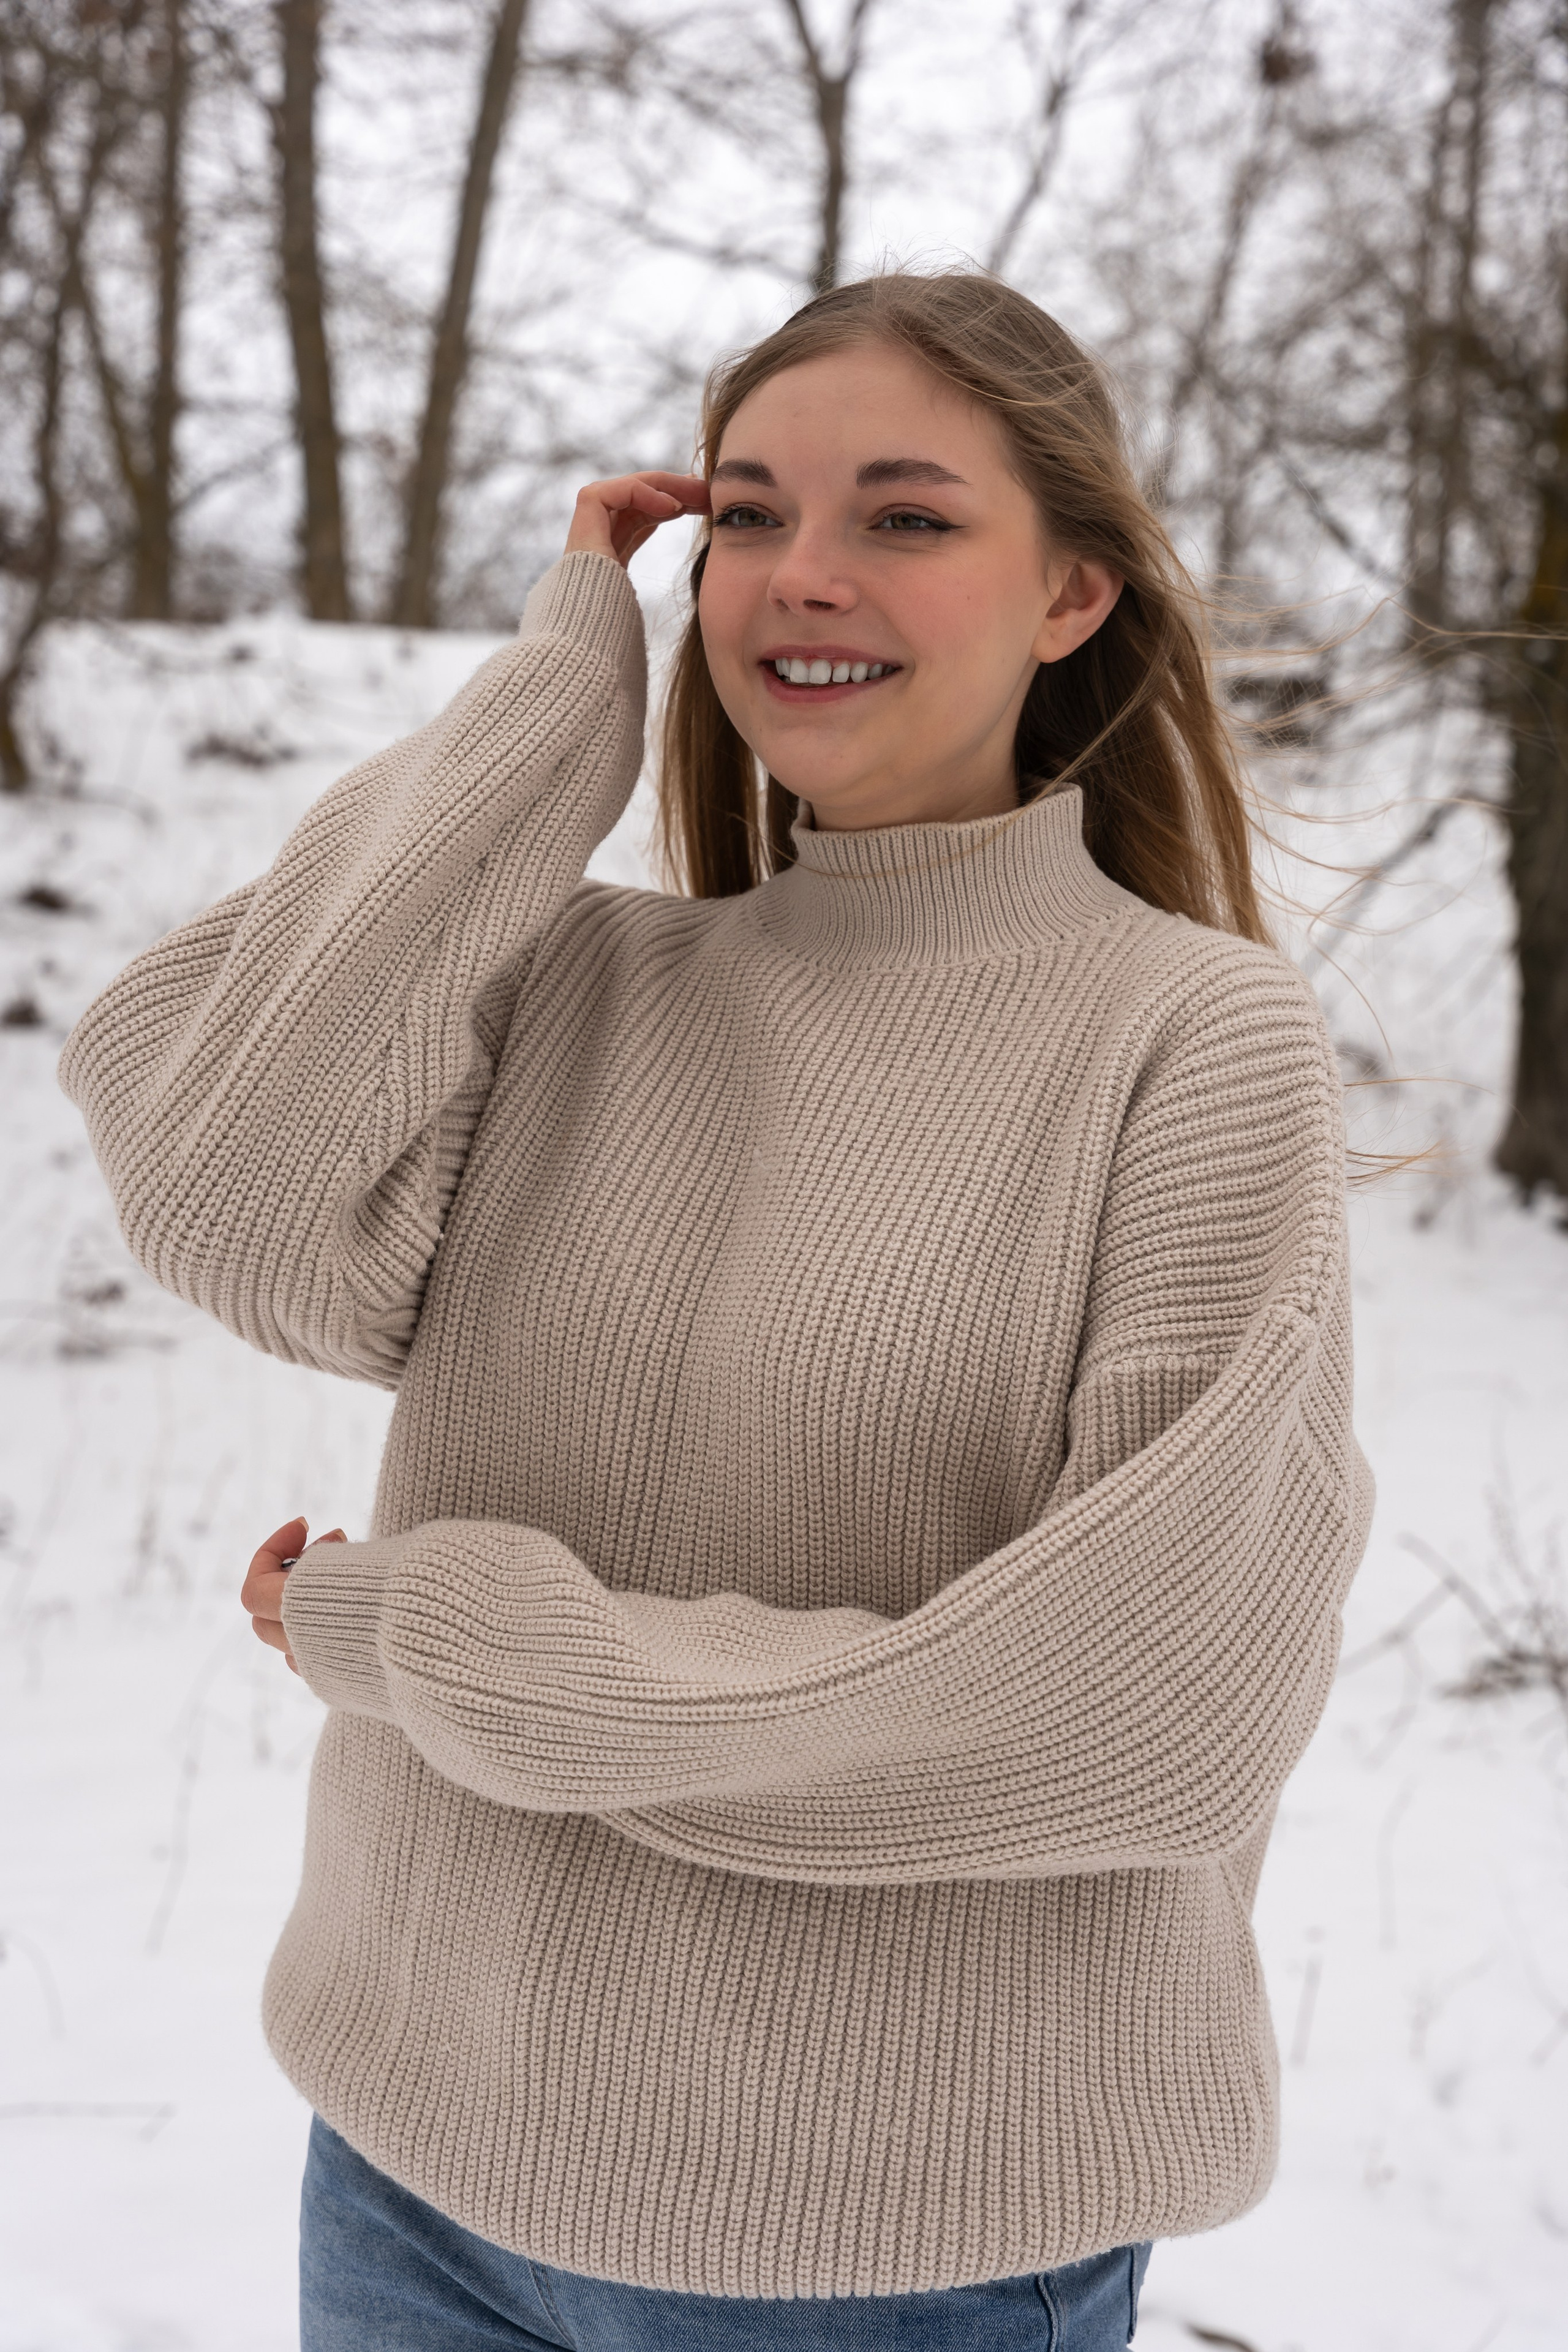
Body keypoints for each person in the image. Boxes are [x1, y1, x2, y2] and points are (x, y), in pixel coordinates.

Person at [60, 270, 1374, 2350]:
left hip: (882, 2245)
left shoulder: (1189, 1039)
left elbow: (1142, 1710)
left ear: (1072, 598)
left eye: (907, 516)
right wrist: (558, 697)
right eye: (746, 514)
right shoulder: (587, 985)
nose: (800, 574)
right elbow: (225, 1182)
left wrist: (461, 1644)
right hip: (410, 2168)